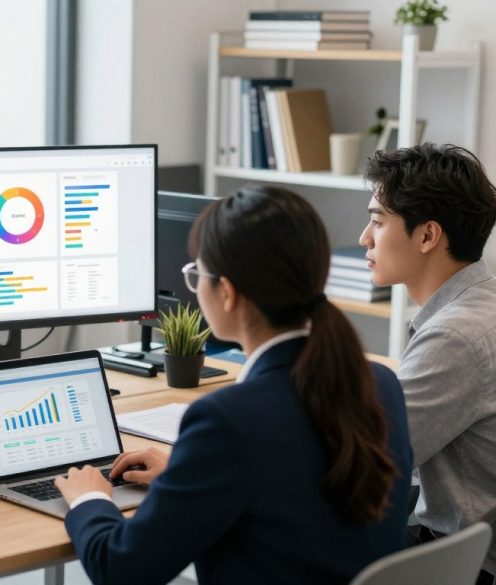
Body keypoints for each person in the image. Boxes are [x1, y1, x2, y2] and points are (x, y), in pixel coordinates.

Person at [54, 186, 413, 584]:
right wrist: (189, 476)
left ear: (227, 292)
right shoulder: (380, 384)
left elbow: (119, 569)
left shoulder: (226, 420)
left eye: (197, 275)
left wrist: (88, 497)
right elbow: (295, 486)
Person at [360, 143, 496, 582]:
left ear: (427, 236)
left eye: (378, 221)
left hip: (465, 564)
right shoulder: (483, 301)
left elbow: (368, 461)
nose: (365, 238)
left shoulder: (455, 337)